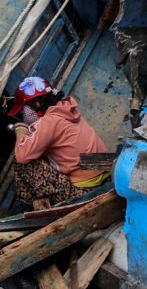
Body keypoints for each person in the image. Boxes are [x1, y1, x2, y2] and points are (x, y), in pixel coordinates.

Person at [6, 76, 110, 207]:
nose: (24, 114)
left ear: (36, 104)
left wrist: (20, 131)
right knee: (40, 155)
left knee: (23, 162)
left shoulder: (48, 121)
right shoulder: (66, 109)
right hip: (104, 172)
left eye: (24, 109)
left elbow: (22, 156)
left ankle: (36, 207)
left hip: (83, 191)